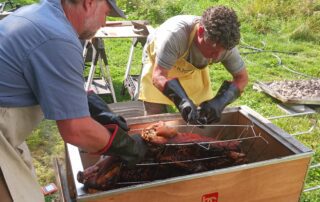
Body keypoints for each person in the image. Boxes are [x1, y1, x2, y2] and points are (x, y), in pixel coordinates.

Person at [0, 0, 147, 201]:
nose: (104, 23)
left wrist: (101, 111)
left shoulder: (42, 15)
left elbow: (59, 81)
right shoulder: (57, 37)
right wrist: (128, 147)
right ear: (89, 3)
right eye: (105, 13)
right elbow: (76, 129)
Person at [139, 6, 249, 124]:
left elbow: (242, 78)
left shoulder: (226, 47)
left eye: (223, 52)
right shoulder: (174, 36)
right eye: (213, 50)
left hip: (192, 69)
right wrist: (182, 101)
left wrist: (220, 102)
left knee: (202, 117)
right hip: (159, 65)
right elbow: (159, 76)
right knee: (154, 118)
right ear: (201, 31)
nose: (217, 57)